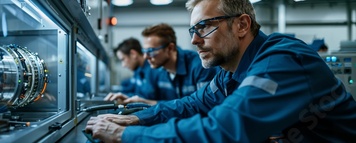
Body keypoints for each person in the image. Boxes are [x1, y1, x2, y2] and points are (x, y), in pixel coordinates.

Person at [85, 0, 356, 142]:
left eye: (204, 27)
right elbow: (192, 104)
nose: (193, 41)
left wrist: (125, 135)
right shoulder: (229, 71)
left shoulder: (281, 60)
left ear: (241, 25)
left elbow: (223, 130)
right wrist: (138, 120)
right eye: (193, 31)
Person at [105, 23, 219, 105]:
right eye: (145, 51)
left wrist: (148, 103)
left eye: (151, 51)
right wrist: (133, 99)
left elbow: (203, 107)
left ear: (170, 48)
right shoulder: (159, 70)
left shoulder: (199, 66)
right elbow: (162, 102)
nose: (146, 57)